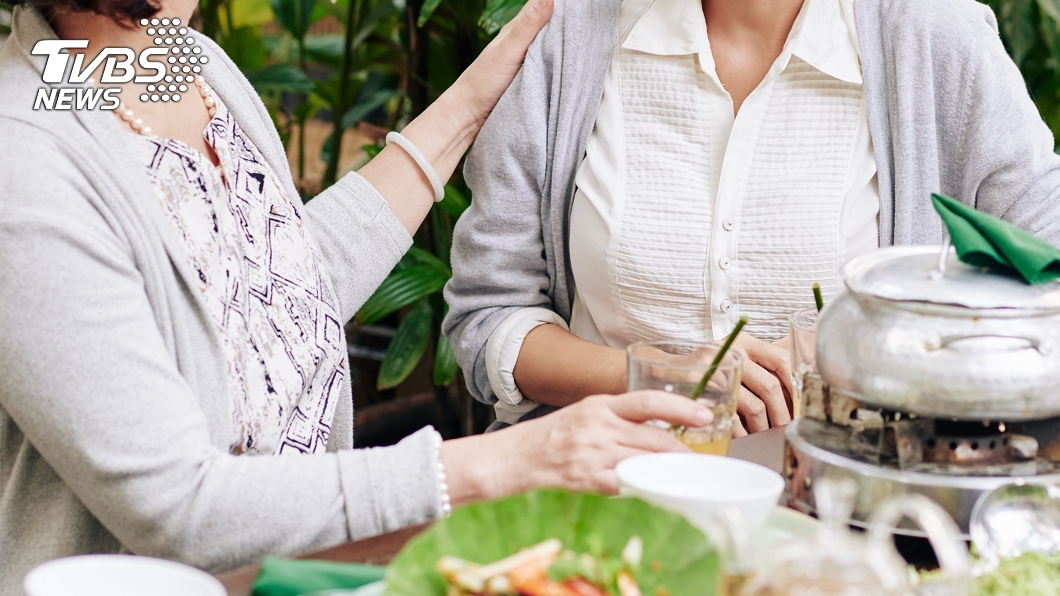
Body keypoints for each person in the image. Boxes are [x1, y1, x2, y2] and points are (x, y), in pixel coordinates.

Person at [0, 0, 714, 591]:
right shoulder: (23, 159)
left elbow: (275, 301)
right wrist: (508, 463)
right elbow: (179, 506)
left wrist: (474, 102)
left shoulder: (169, 61)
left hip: (293, 576)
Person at [443, 0, 1060, 432]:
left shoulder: (935, 37)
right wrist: (655, 378)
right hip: (601, 501)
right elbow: (487, 317)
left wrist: (862, 350)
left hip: (849, 516)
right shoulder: (567, 33)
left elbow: (1048, 276)